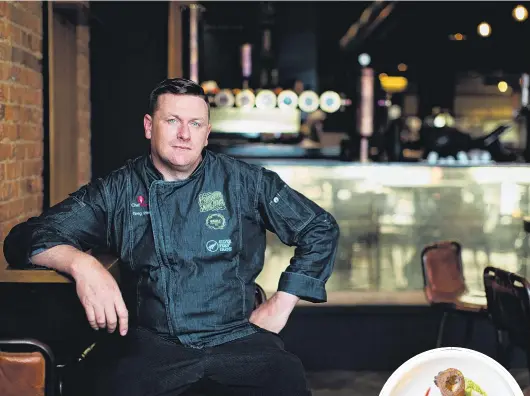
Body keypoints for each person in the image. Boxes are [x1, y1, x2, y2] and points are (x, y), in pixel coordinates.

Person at [3, 77, 340, 396]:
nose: (184, 134)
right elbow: (25, 238)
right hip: (151, 345)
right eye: (172, 121)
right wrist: (80, 263)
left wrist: (282, 303)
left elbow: (319, 228)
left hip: (237, 337)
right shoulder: (119, 189)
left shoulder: (244, 181)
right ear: (149, 126)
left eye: (195, 124)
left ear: (206, 133)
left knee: (286, 380)